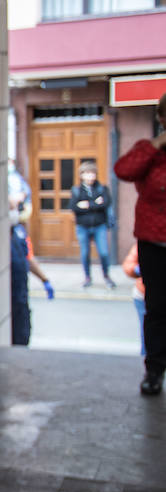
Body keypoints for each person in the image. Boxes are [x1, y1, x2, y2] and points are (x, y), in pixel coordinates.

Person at [113, 95, 166, 395]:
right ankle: (154, 370)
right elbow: (123, 170)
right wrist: (157, 144)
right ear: (161, 119)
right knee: (156, 308)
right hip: (154, 244)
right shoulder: (149, 152)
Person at [10, 193, 55, 346]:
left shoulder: (19, 232)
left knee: (23, 335)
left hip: (21, 296)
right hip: (9, 298)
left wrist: (44, 279)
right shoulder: (0, 235)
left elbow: (28, 258)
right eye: (12, 208)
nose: (16, 211)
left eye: (16, 208)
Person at [70, 160, 115, 288]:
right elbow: (74, 207)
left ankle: (106, 276)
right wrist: (95, 203)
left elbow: (106, 203)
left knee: (104, 253)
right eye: (87, 173)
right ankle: (87, 277)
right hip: (83, 226)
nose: (91, 176)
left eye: (93, 173)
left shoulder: (102, 188)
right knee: (85, 254)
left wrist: (87, 204)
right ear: (82, 175)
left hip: (99, 225)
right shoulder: (76, 190)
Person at [123, 243, 147, 356]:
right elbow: (129, 265)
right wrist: (137, 269)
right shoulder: (146, 242)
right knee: (147, 332)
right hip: (143, 295)